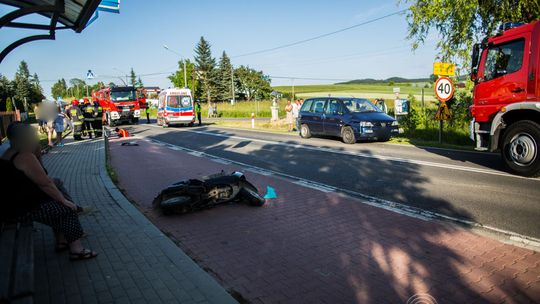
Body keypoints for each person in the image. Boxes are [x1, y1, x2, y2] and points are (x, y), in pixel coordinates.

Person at [0, 122, 97, 260]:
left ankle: (62, 241)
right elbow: (45, 183)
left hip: (14, 206)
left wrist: (37, 154)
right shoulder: (25, 156)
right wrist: (64, 201)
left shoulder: (8, 153)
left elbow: (41, 176)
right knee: (65, 209)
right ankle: (77, 250)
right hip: (21, 210)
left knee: (56, 194)